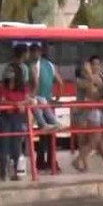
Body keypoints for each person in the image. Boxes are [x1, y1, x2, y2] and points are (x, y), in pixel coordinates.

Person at [0, 44, 32, 181]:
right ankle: (2, 173)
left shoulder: (21, 88)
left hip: (17, 117)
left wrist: (20, 104)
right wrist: (17, 104)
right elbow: (2, 100)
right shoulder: (2, 88)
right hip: (5, 117)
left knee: (16, 146)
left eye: (12, 77)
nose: (10, 80)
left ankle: (14, 172)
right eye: (8, 78)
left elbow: (28, 99)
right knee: (4, 146)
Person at [28, 43, 61, 172]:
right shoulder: (50, 65)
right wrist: (56, 99)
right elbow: (60, 82)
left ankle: (42, 161)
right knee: (49, 133)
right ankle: (51, 162)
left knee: (43, 132)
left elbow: (34, 83)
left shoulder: (31, 65)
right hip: (47, 102)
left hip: (37, 102)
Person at [71, 56, 103, 172]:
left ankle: (78, 160)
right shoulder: (80, 81)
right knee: (83, 140)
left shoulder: (97, 78)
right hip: (81, 113)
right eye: (85, 70)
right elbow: (92, 93)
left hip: (91, 111)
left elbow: (101, 90)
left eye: (97, 64)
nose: (95, 67)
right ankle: (83, 163)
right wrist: (91, 76)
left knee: (95, 139)